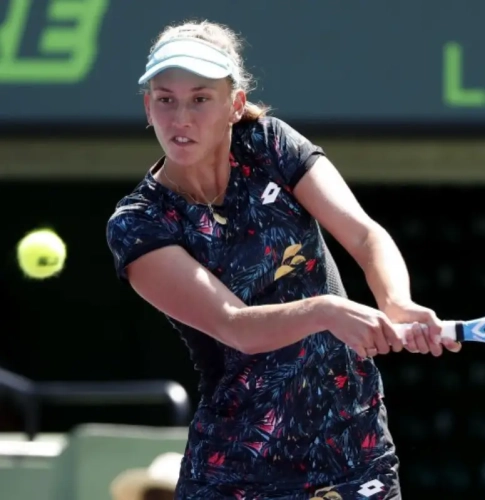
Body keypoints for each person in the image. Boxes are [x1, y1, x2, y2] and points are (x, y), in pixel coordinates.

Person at [105, 20, 461, 499]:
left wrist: (396, 301)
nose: (180, 118)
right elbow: (235, 325)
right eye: (165, 99)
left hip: (354, 452)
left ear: (234, 104)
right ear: (148, 107)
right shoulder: (139, 223)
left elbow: (364, 235)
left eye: (200, 98)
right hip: (238, 472)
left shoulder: (271, 144)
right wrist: (326, 311)